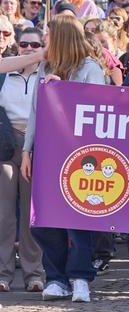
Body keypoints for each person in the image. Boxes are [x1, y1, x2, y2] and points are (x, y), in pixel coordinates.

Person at [21, 15, 106, 302]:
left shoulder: (90, 67)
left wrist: (62, 91)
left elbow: (97, 109)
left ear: (61, 38)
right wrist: (26, 150)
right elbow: (35, 111)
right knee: (44, 220)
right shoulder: (45, 66)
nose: (44, 40)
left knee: (77, 219)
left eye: (48, 35)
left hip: (81, 156)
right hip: (46, 152)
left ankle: (80, 277)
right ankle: (56, 278)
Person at [0, 28, 45, 293]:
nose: (28, 48)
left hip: (36, 145)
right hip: (6, 145)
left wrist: (44, 60)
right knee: (4, 215)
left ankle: (34, 274)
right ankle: (3, 274)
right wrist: (36, 55)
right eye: (24, 44)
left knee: (30, 215)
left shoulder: (46, 74)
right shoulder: (7, 72)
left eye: (35, 45)